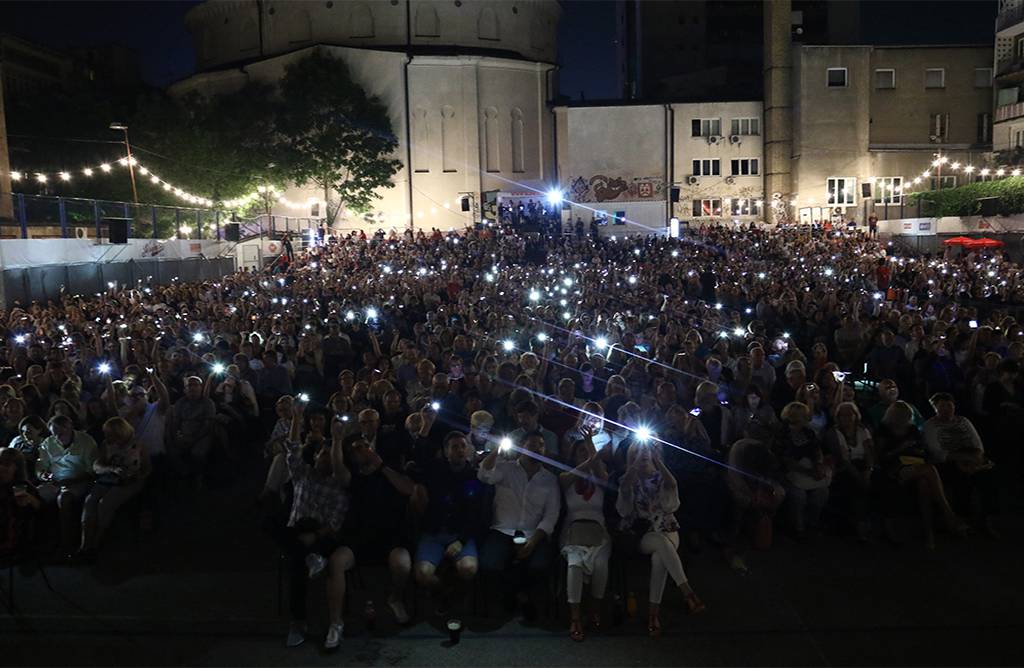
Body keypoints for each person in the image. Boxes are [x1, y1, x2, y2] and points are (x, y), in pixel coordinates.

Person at [281, 402, 353, 651]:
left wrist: (335, 439)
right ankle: (297, 623)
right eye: (321, 454)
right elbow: (291, 449)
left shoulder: (338, 486)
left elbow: (334, 523)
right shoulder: (303, 474)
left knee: (298, 558)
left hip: (322, 536)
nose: (325, 458)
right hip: (298, 532)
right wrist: (296, 419)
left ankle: (315, 556)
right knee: (294, 555)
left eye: (329, 455)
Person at [616, 440, 705, 637]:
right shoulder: (629, 479)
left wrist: (658, 462)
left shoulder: (662, 477)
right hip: (642, 532)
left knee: (659, 558)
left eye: (647, 450)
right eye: (638, 451)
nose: (643, 454)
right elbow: (623, 507)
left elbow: (671, 502)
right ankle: (687, 591)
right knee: (658, 544)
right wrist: (634, 466)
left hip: (666, 527)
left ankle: (653, 615)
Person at [478, 431, 560, 621]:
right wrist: (496, 450)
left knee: (539, 566)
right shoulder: (505, 469)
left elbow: (551, 515)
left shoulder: (549, 479)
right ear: (522, 447)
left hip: (533, 533)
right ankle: (514, 596)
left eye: (540, 445)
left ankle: (524, 597)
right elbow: (484, 475)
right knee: (489, 564)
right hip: (503, 529)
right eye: (532, 444)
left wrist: (534, 541)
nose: (536, 448)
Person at [412, 431, 486, 614]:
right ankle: (443, 590)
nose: (460, 450)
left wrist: (461, 540)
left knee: (469, 569)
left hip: (460, 532)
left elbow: (476, 514)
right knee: (422, 574)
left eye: (463, 446)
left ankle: (457, 593)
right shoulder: (435, 470)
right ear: (446, 451)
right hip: (434, 532)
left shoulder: (474, 476)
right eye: (455, 447)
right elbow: (417, 461)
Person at [875, 401, 967, 550]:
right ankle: (949, 514)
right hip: (895, 467)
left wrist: (918, 450)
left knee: (924, 485)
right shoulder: (884, 430)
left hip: (915, 462)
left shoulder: (912, 429)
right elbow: (881, 456)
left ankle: (928, 533)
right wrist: (900, 448)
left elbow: (922, 447)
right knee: (929, 470)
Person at [922, 393, 999, 538]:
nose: (946, 409)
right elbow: (936, 451)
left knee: (989, 477)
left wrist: (975, 458)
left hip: (970, 456)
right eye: (942, 406)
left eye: (949, 405)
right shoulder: (930, 426)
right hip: (948, 461)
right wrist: (959, 459)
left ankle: (986, 518)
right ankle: (960, 519)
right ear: (935, 408)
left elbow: (977, 444)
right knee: (959, 477)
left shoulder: (964, 421)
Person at [558, 427, 610, 642]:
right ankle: (575, 616)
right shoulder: (565, 475)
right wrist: (590, 456)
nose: (585, 454)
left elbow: (602, 474)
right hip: (573, 528)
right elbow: (568, 478)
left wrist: (591, 448)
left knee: (600, 565)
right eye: (580, 452)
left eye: (587, 451)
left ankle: (595, 609)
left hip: (598, 528)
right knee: (574, 563)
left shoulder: (600, 476)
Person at [78, 417, 152, 560]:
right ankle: (84, 544)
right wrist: (111, 469)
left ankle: (96, 542)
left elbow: (147, 468)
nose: (109, 437)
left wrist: (136, 476)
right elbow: (97, 466)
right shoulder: (106, 445)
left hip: (130, 481)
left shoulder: (138, 445)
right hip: (109, 478)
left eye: (112, 434)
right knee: (90, 501)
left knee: (105, 503)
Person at [37, 415, 98, 555]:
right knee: (34, 495)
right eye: (55, 434)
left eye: (61, 433)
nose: (58, 437)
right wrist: (43, 475)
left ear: (70, 427)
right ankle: (41, 539)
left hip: (79, 481)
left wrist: (71, 481)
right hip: (55, 482)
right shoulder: (48, 443)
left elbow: (92, 470)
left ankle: (66, 544)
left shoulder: (86, 442)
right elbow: (41, 465)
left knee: (64, 498)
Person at [776, 402, 831, 538]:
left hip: (808, 470)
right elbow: (785, 459)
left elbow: (816, 450)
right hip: (789, 472)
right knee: (798, 495)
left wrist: (818, 464)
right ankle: (798, 526)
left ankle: (812, 522)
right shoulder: (782, 433)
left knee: (822, 492)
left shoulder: (808, 432)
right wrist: (807, 471)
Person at [824, 402, 874, 541]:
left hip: (863, 465)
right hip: (844, 467)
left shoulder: (862, 430)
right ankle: (859, 524)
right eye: (842, 415)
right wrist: (860, 477)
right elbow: (843, 458)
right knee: (856, 485)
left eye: (849, 414)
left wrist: (868, 470)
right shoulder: (834, 433)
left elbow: (869, 452)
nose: (846, 418)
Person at [166, 376, 216, 485]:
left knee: (197, 453)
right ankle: (183, 473)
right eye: (189, 385)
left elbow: (208, 424)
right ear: (185, 389)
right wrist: (177, 435)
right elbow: (175, 422)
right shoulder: (180, 402)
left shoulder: (208, 403)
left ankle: (199, 477)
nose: (192, 388)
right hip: (184, 433)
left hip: (202, 435)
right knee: (173, 450)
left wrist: (194, 438)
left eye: (195, 385)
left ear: (201, 388)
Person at [0, 447, 42, 559]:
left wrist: (30, 500)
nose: (1, 467)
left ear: (16, 468)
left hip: (14, 537)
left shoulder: (20, 486)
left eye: (6, 464)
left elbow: (41, 510)